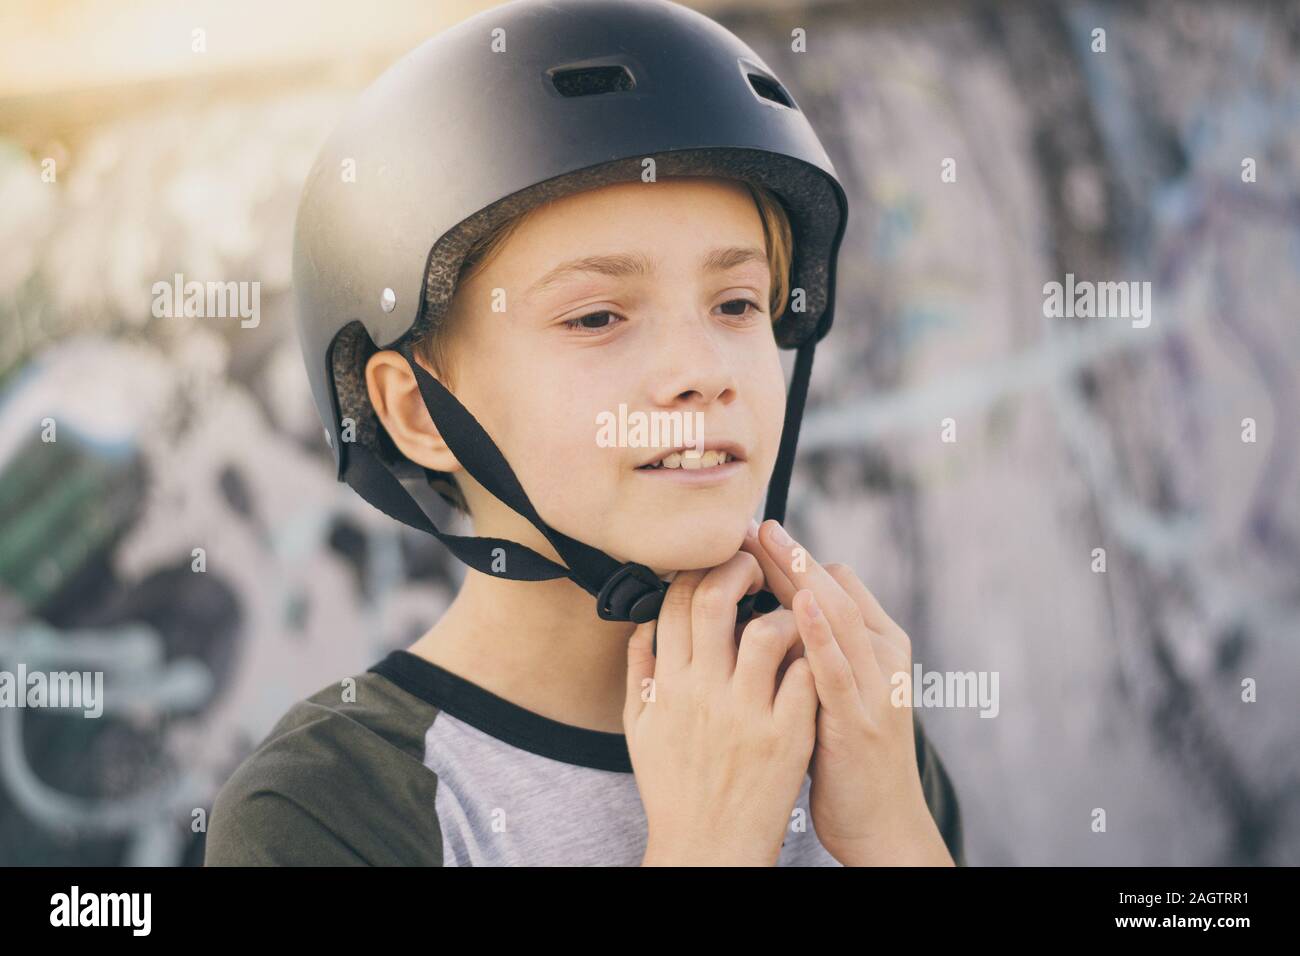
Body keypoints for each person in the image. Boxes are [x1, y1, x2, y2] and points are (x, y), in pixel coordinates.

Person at [205, 0, 964, 867]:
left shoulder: (856, 723)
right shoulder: (329, 807)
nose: (703, 370)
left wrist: (892, 833)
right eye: (598, 316)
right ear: (416, 411)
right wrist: (708, 844)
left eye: (737, 304)